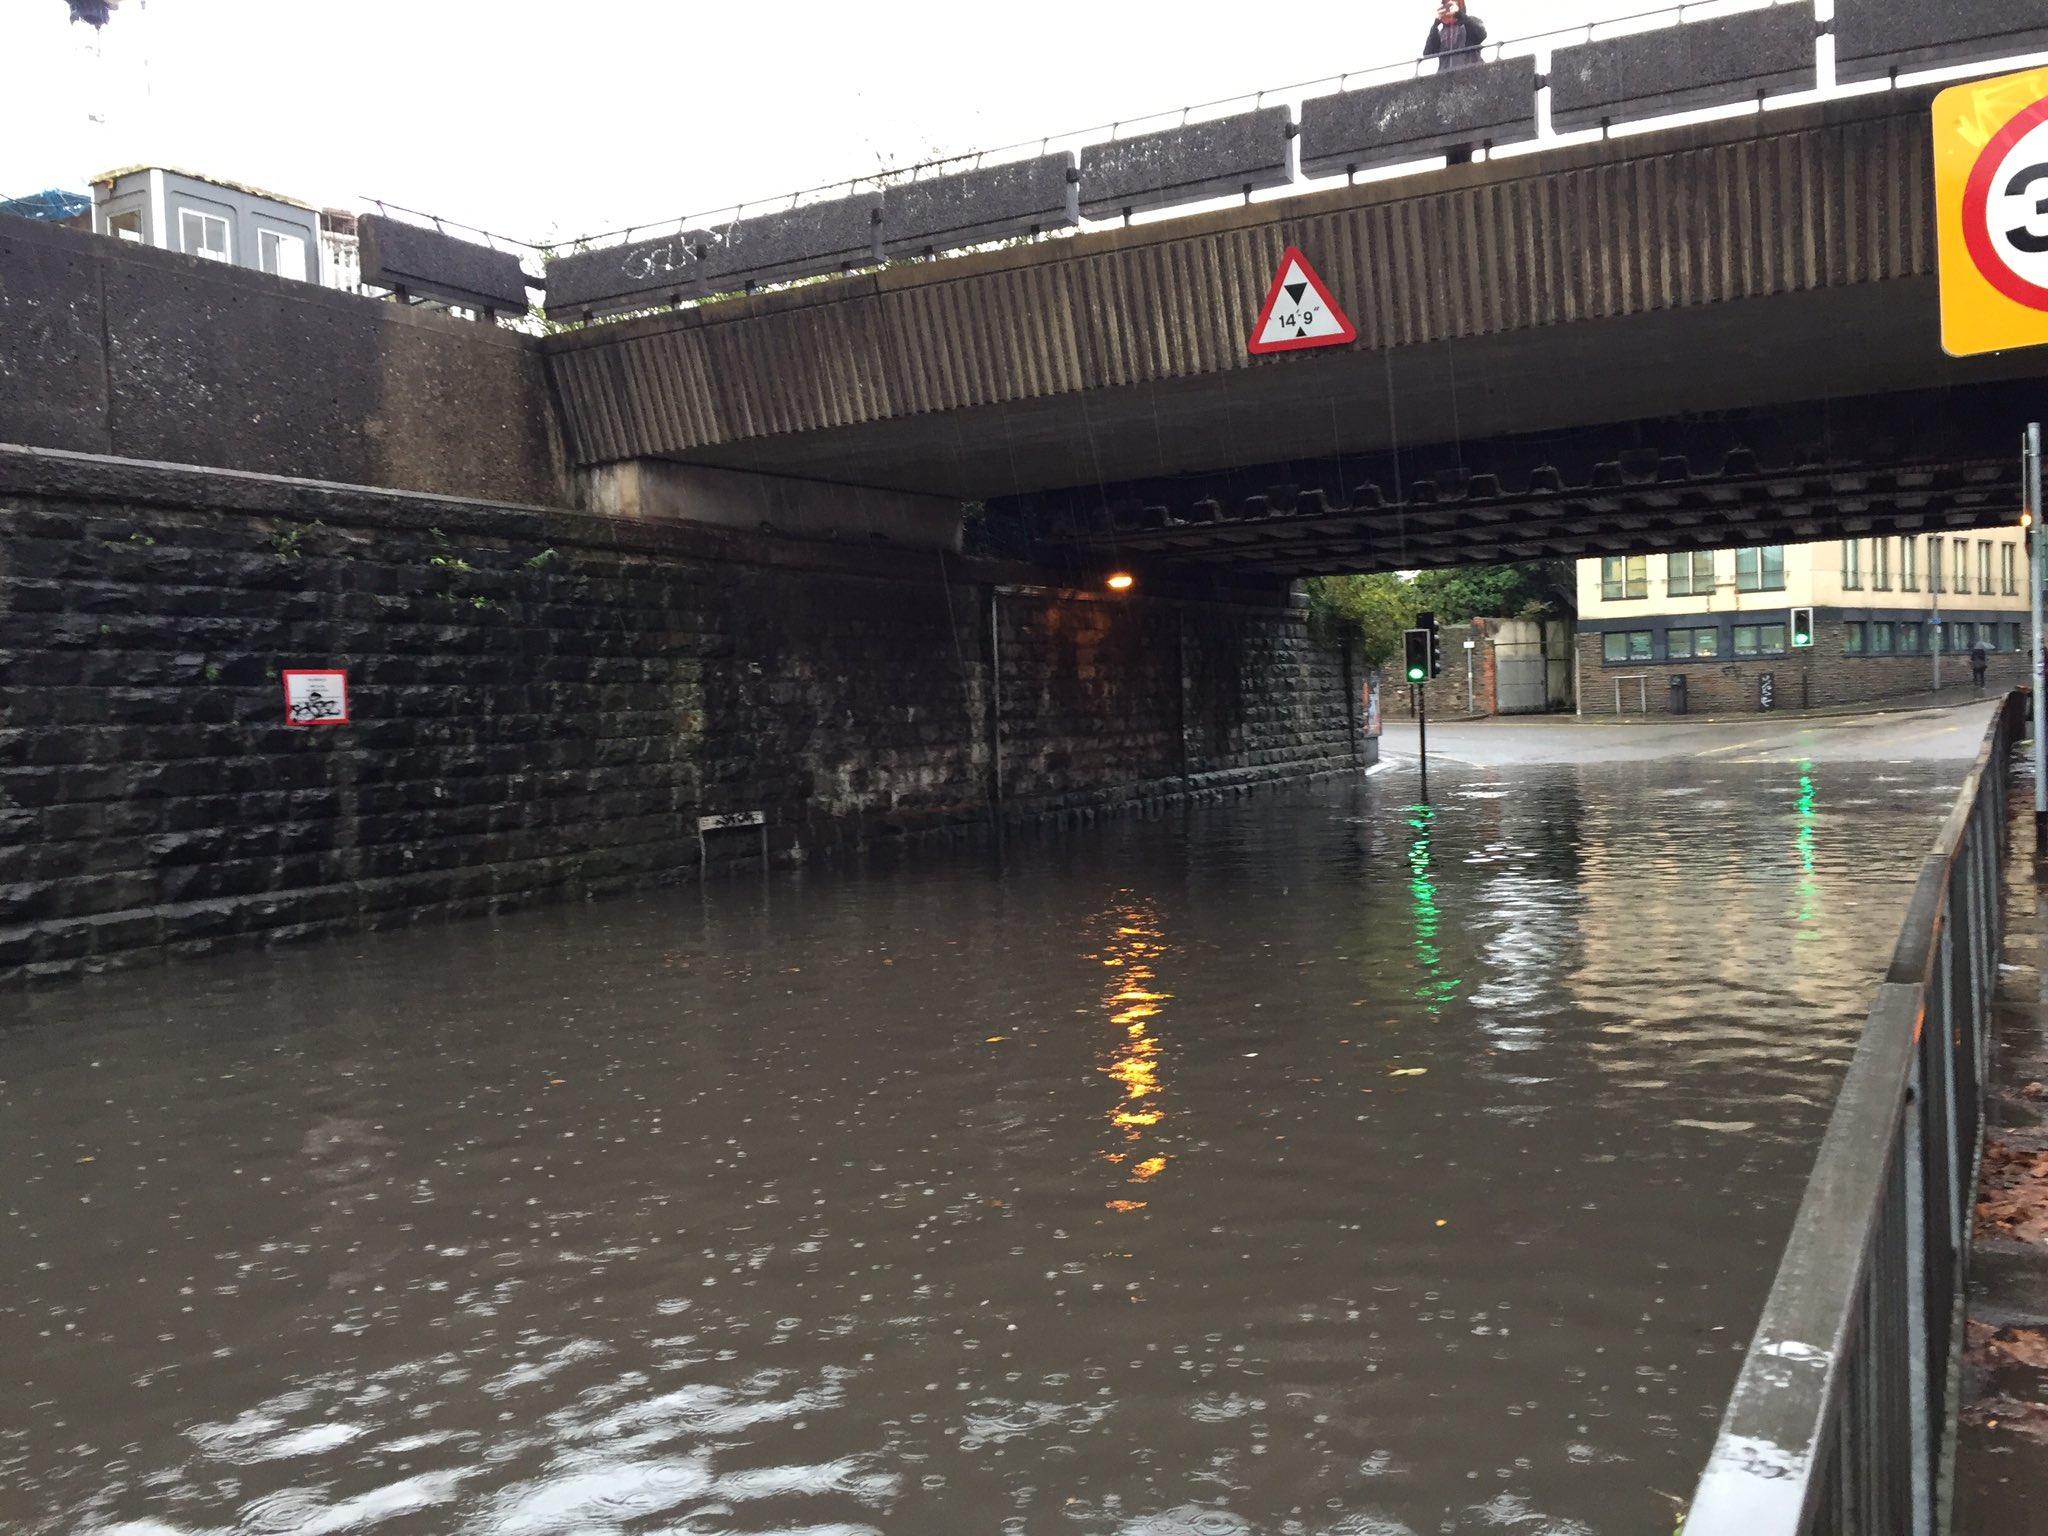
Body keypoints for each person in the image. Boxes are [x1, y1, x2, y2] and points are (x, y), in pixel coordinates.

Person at [1423, 0, 1488, 74]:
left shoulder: (1471, 21)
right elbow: (1428, 53)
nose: (1449, 5)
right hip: (1445, 77)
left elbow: (1481, 35)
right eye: (1446, 3)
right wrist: (1435, 25)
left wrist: (1458, 14)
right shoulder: (1441, 32)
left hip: (1470, 73)